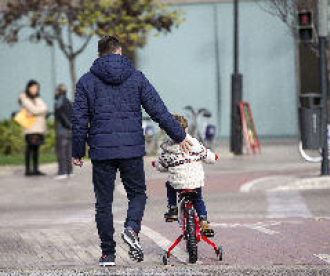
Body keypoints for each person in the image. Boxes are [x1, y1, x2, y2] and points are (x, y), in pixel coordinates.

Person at [71, 36, 192, 267]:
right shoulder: (136, 77)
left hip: (102, 151)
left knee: (103, 203)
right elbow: (158, 110)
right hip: (132, 150)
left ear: (99, 55)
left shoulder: (86, 81)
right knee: (137, 194)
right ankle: (132, 227)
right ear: (119, 52)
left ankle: (108, 255)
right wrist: (180, 135)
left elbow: (79, 120)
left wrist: (77, 151)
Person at [153, 115, 218, 237]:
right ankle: (203, 221)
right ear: (186, 129)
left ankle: (172, 208)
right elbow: (207, 156)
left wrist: (155, 164)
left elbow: (161, 166)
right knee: (198, 199)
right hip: (195, 182)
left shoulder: (167, 149)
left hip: (178, 184)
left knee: (169, 184)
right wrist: (214, 158)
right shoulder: (195, 144)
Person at [18, 80, 48, 176]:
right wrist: (39, 111)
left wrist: (36, 112)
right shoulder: (24, 98)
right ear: (28, 88)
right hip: (30, 128)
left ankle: (35, 169)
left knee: (36, 149)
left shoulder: (37, 98)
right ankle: (28, 170)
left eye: (36, 88)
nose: (35, 89)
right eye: (33, 87)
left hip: (38, 128)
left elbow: (45, 108)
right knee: (29, 149)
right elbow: (34, 109)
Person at [54, 84, 73, 180]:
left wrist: (67, 125)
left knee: (61, 151)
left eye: (56, 90)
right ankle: (69, 171)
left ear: (59, 91)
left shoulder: (59, 101)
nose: (55, 93)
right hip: (69, 131)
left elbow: (60, 113)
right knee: (68, 152)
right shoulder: (68, 101)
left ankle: (62, 172)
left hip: (62, 131)